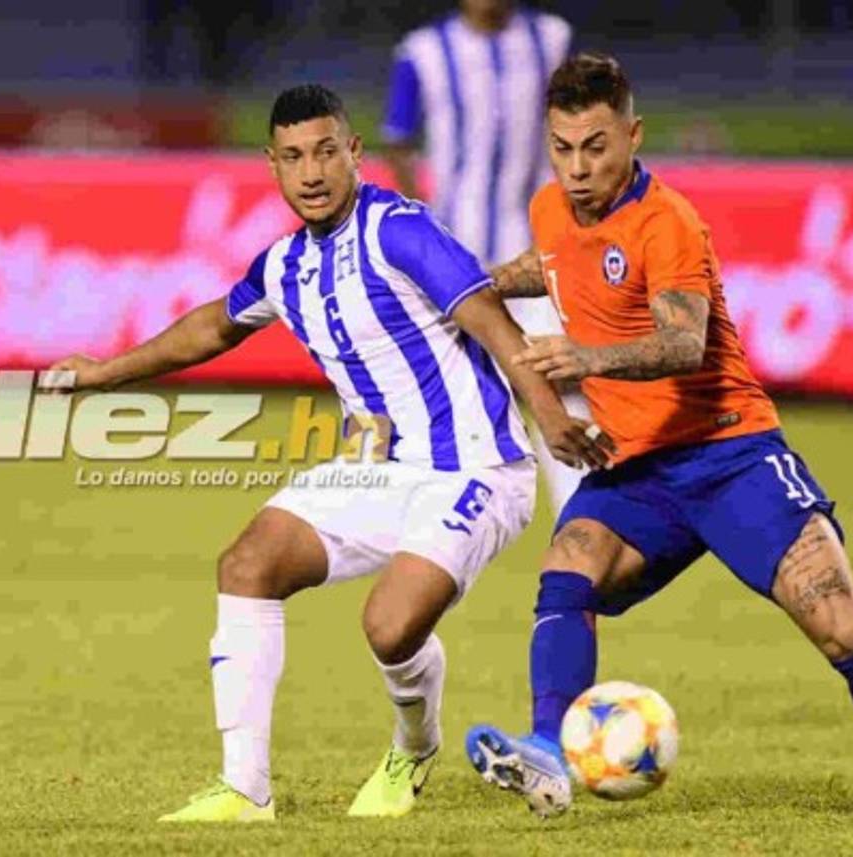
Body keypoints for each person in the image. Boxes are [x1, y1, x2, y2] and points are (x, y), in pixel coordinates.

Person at [462, 53, 853, 828]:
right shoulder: (552, 208)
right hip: (639, 470)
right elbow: (546, 267)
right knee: (570, 562)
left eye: (596, 146)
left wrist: (584, 359)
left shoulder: (668, 222)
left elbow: (683, 342)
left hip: (730, 453)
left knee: (839, 622)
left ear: (633, 134)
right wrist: (468, 286)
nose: (579, 167)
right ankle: (547, 747)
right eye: (563, 147)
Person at [45, 84, 611, 823]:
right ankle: (244, 789)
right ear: (273, 167)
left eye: (323, 152)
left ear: (353, 153)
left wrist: (550, 417)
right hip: (374, 469)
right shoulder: (283, 265)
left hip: (476, 469)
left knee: (389, 625)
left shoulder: (401, 231)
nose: (309, 172)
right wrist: (102, 372)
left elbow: (496, 325)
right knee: (247, 564)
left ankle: (413, 744)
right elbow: (213, 327)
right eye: (291, 157)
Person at [382, 0, 589, 516]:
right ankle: (419, 511)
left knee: (562, 372)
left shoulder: (553, 39)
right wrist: (424, 223)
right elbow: (398, 140)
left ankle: (585, 512)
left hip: (539, 247)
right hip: (457, 247)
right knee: (434, 382)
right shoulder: (424, 52)